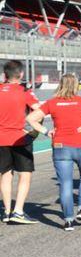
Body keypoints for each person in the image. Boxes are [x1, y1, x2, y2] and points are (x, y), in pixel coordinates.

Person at [26, 73, 81, 230]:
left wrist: (46, 131)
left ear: (61, 85)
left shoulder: (52, 103)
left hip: (60, 146)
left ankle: (68, 220)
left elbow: (30, 119)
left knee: (65, 183)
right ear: (76, 85)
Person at [0, 60, 40, 224]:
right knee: (25, 174)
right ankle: (18, 211)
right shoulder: (25, 91)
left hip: (1, 138)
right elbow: (38, 110)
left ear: (5, 75)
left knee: (5, 174)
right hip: (20, 138)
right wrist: (35, 131)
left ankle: (7, 211)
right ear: (21, 74)